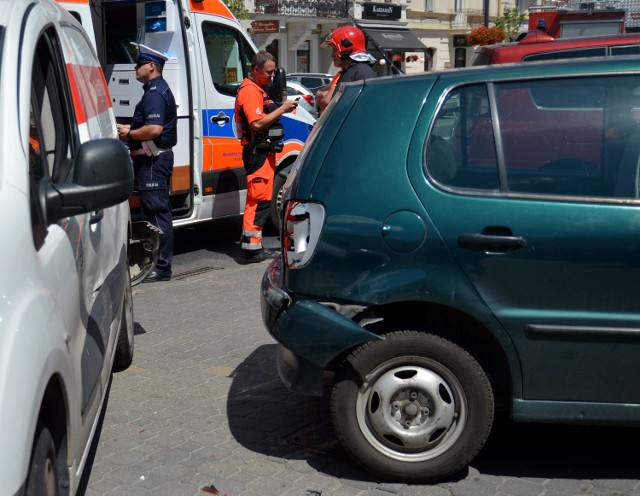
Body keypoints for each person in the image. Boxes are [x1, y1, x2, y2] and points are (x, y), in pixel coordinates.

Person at [118, 43, 177, 282]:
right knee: (154, 213)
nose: (135, 67)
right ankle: (157, 264)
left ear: (151, 66)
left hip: (153, 161)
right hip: (152, 161)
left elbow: (154, 128)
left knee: (157, 215)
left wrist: (130, 134)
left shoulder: (154, 92)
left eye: (139, 63)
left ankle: (161, 267)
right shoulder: (154, 89)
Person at [234, 51, 298, 263]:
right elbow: (257, 124)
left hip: (262, 151)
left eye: (274, 72)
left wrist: (282, 106)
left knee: (259, 199)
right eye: (269, 73)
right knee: (259, 200)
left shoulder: (258, 89)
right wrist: (282, 109)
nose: (272, 77)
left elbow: (267, 111)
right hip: (257, 152)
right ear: (256, 70)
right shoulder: (250, 91)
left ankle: (253, 246)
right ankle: (252, 250)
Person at [316, 26, 376, 114]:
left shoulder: (362, 71)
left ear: (346, 49)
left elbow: (366, 107)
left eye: (335, 49)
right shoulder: (347, 72)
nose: (332, 55)